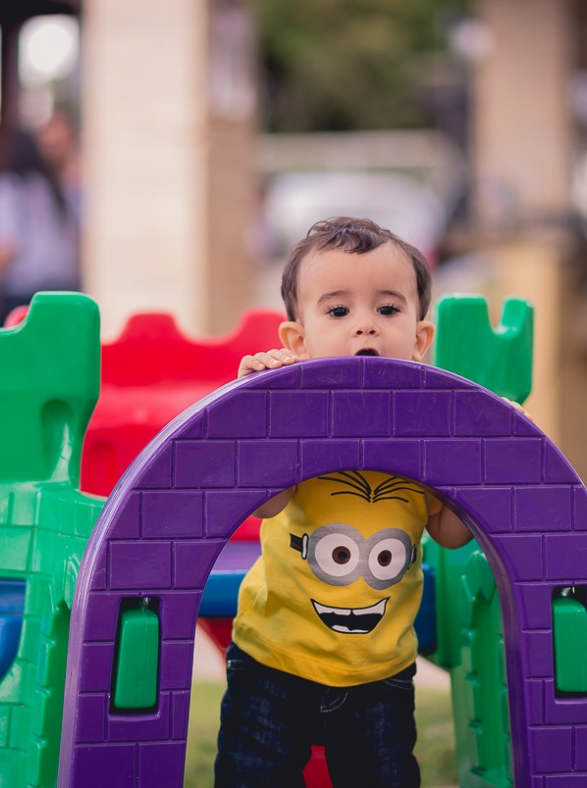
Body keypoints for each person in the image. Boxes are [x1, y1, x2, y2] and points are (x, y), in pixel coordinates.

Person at [216, 216, 475, 787]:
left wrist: (484, 457)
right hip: (274, 662)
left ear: (419, 340)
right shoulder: (295, 418)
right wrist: (261, 409)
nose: (365, 325)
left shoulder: (428, 430)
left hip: (380, 674)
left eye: (387, 309)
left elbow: (451, 533)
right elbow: (266, 505)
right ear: (298, 342)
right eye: (338, 310)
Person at [0, 128, 80, 323]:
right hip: (65, 291)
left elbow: (6, 247)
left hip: (23, 296)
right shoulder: (50, 187)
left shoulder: (5, 187)